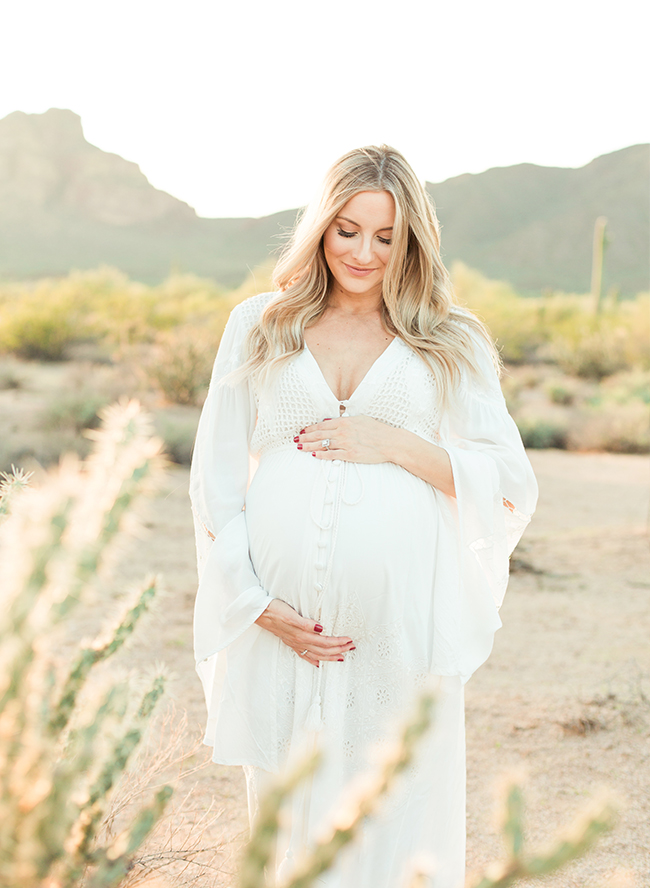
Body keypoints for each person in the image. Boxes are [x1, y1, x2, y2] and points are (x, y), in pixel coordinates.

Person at [189, 145, 538, 887]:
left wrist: (396, 443)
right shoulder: (260, 323)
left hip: (400, 628)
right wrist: (255, 606)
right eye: (348, 230)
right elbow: (215, 485)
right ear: (320, 225)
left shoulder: (451, 338)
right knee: (290, 822)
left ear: (412, 241)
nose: (365, 253)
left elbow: (508, 487)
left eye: (387, 237)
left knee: (396, 812)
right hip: (282, 631)